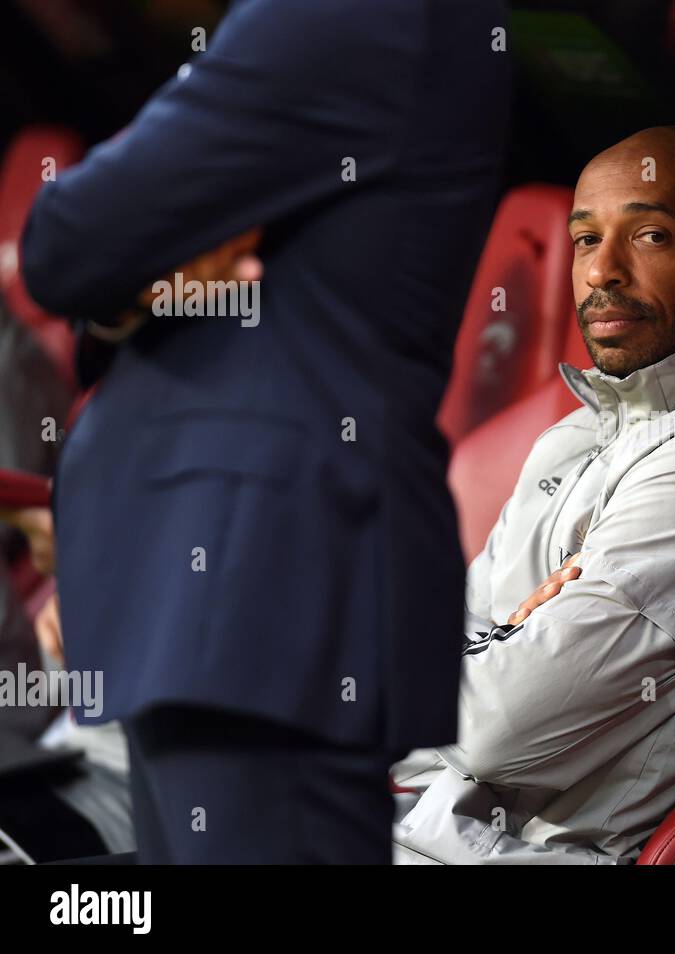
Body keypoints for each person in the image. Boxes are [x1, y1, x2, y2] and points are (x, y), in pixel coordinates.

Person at [18, 0, 509, 863]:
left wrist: (131, 273)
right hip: (216, 605)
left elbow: (66, 239)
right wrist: (137, 294)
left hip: (260, 596)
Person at [392, 126, 675, 864]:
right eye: (585, 239)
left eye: (649, 235)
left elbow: (493, 727)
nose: (602, 271)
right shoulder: (581, 436)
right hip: (432, 824)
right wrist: (496, 643)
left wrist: (478, 652)